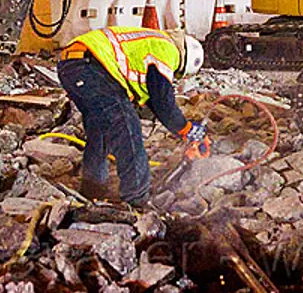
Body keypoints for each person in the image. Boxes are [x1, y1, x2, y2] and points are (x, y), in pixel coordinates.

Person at [57, 26, 207, 206]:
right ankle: (136, 199)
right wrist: (187, 129)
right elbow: (163, 102)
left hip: (72, 64)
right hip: (91, 66)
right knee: (127, 127)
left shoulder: (154, 41)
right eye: (177, 73)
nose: (173, 74)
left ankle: (92, 189)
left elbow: (155, 101)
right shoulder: (167, 50)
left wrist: (183, 130)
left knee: (100, 129)